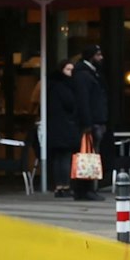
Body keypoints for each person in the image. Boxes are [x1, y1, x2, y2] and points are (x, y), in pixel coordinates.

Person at [72, 45, 110, 202]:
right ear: (91, 56)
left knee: (91, 155)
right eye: (98, 55)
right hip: (91, 122)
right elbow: (83, 101)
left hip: (96, 120)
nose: (101, 58)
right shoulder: (83, 75)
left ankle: (87, 188)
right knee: (89, 156)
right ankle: (86, 188)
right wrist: (87, 123)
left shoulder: (91, 73)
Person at [47, 58, 83, 199]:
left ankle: (59, 186)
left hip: (56, 126)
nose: (71, 73)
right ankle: (65, 186)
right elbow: (70, 104)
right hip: (65, 126)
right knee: (65, 157)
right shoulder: (65, 87)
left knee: (58, 158)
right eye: (68, 69)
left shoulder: (52, 86)